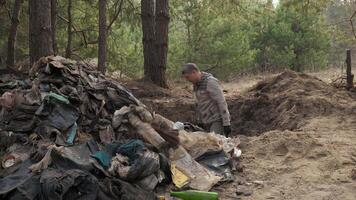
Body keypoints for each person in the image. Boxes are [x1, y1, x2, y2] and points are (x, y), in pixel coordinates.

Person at [181, 63, 231, 137]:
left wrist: (226, 123)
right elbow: (200, 103)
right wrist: (200, 120)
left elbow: (221, 102)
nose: (187, 80)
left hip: (216, 120)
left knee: (213, 143)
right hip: (206, 121)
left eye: (188, 77)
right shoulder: (196, 84)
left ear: (194, 72)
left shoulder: (210, 82)